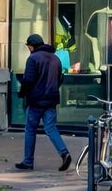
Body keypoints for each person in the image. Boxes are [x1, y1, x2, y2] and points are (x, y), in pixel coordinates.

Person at [16, 34, 72, 172]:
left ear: (31, 46)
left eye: (28, 46)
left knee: (30, 129)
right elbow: (60, 79)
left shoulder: (33, 58)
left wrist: (22, 92)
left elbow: (28, 80)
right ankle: (64, 153)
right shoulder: (55, 58)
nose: (28, 48)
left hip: (36, 100)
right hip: (51, 99)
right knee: (50, 128)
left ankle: (28, 161)